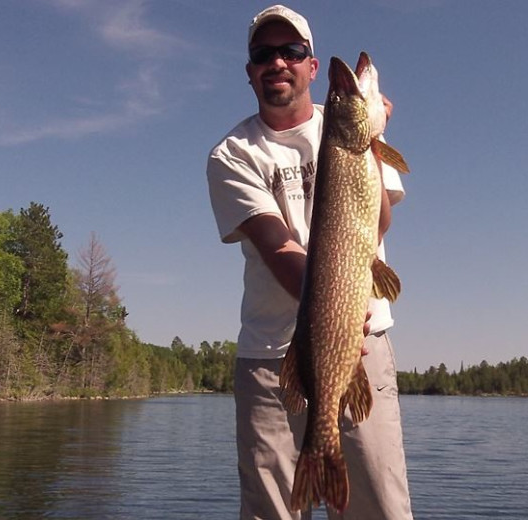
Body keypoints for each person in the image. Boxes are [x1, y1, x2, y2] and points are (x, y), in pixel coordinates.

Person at [206, 5, 413, 519]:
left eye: (291, 51)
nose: (278, 61)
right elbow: (279, 249)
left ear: (311, 67)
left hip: (362, 345)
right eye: (264, 54)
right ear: (251, 71)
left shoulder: (350, 128)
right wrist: (334, 311)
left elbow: (376, 223)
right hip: (269, 357)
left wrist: (373, 138)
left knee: (380, 511)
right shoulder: (233, 154)